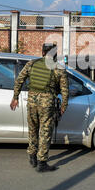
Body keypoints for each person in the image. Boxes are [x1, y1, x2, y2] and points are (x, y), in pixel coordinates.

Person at [10, 43, 69, 173]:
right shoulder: (59, 68)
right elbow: (65, 90)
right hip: (47, 103)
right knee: (45, 132)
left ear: (42, 53)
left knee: (33, 129)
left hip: (31, 102)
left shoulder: (31, 64)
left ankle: (32, 156)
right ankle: (42, 163)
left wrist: (15, 97)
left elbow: (19, 80)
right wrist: (64, 106)